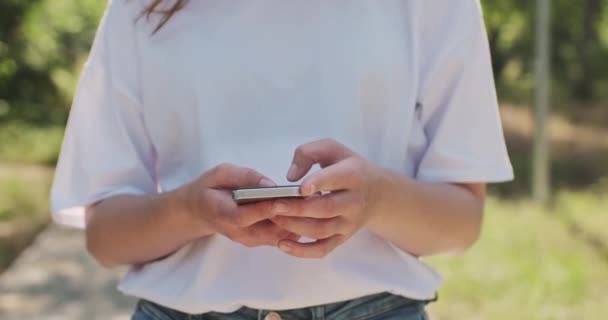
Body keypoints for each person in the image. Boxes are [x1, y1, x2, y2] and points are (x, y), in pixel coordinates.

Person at [50, 0, 513, 319]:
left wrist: (376, 199)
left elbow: (462, 221)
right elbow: (106, 238)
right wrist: (189, 209)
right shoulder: (142, 9)